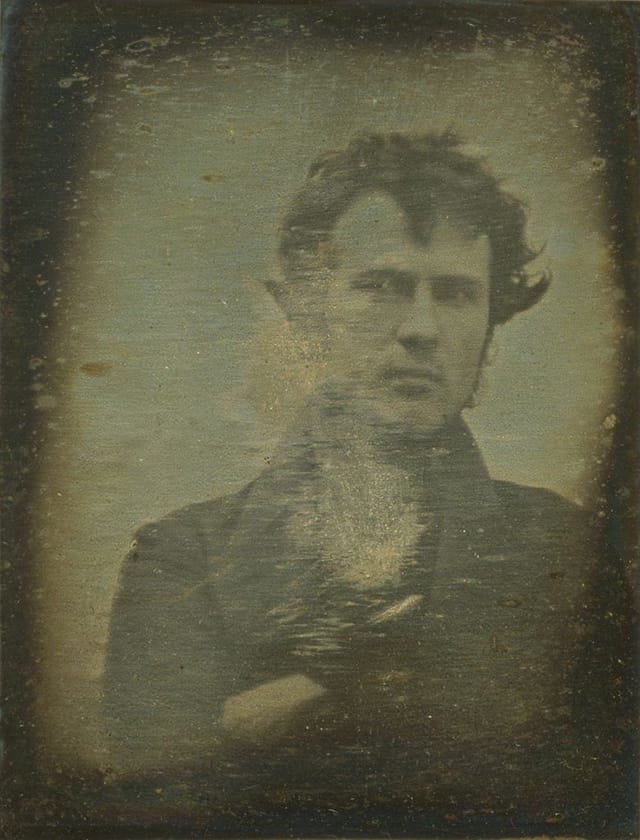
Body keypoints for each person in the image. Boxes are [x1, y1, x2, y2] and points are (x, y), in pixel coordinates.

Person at [103, 133, 632, 831]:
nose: (421, 328)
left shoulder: (569, 553)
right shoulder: (181, 557)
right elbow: (157, 804)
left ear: (489, 324)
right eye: (381, 286)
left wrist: (329, 701)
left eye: (455, 294)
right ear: (302, 307)